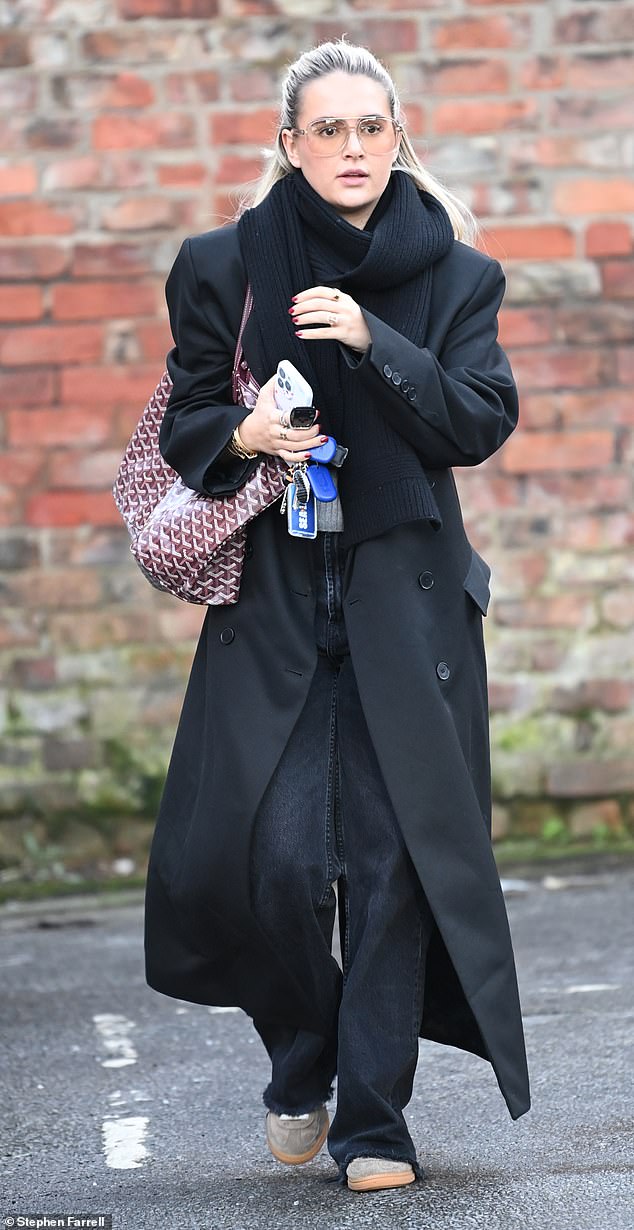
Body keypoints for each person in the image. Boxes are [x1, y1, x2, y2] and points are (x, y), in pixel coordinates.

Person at [143, 39, 530, 1194]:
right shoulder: (223, 265)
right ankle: (302, 1057)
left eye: (371, 128)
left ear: (397, 137)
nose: (352, 148)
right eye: (329, 129)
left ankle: (373, 1123)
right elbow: (182, 423)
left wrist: (375, 341)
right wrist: (245, 437)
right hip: (271, 602)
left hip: (405, 614)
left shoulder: (457, 276)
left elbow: (476, 420)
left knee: (392, 866)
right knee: (260, 861)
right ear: (289, 146)